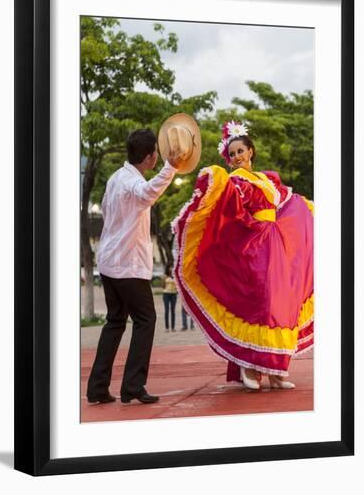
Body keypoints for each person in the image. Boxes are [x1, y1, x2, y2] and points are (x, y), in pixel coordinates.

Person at [172, 121, 314, 391]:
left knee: (279, 306)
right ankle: (249, 367)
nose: (236, 157)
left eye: (240, 151)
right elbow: (231, 206)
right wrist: (215, 178)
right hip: (253, 244)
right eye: (232, 154)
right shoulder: (236, 181)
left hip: (277, 244)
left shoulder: (267, 178)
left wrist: (307, 212)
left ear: (250, 151)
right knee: (259, 304)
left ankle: (276, 372)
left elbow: (286, 203)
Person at [86, 128, 184, 405]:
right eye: (157, 153)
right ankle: (133, 386)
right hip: (127, 265)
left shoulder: (117, 177)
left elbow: (109, 210)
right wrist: (171, 167)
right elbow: (147, 192)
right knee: (145, 320)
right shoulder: (132, 183)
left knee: (115, 322)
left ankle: (97, 388)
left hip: (108, 262)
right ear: (151, 156)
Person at [162, 265, 178, 332]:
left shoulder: (175, 276)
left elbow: (177, 285)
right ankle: (167, 327)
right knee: (167, 310)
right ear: (168, 268)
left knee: (173, 311)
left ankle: (173, 327)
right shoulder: (164, 276)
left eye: (172, 267)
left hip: (174, 294)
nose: (171, 268)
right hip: (166, 294)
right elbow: (162, 286)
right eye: (170, 267)